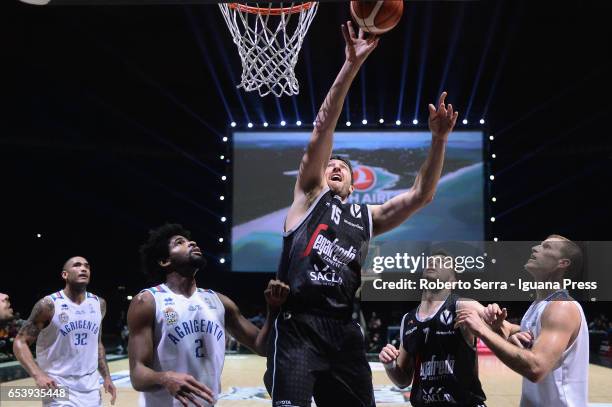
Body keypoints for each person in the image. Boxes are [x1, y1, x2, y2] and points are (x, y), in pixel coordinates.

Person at [264, 20, 459, 407]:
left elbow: (422, 194)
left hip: (344, 329)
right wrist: (350, 65)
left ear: (354, 185)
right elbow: (323, 128)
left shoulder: (365, 216)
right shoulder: (307, 196)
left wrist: (438, 140)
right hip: (299, 326)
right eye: (329, 165)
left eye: (343, 168)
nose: (334, 166)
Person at [130, 223, 289, 407]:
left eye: (191, 240)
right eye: (180, 242)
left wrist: (273, 309)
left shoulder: (220, 302)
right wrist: (165, 378)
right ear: (165, 260)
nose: (192, 243)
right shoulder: (148, 301)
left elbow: (262, 347)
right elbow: (137, 374)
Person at [455, 235, 589, 407]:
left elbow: (536, 367)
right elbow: (513, 330)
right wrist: (497, 327)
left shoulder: (561, 307)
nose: (535, 248)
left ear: (562, 263)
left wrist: (483, 330)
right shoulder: (538, 306)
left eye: (546, 247)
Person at [378, 250, 513, 406]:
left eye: (443, 263)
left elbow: (508, 330)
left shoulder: (463, 306)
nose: (433, 262)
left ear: (453, 281)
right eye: (430, 260)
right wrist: (389, 364)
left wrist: (496, 322)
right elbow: (403, 380)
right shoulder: (407, 320)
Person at [13, 256, 117, 407]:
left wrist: (107, 377)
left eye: (87, 266)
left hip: (90, 387)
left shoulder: (99, 304)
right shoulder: (48, 305)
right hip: (58, 385)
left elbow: (97, 343)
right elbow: (20, 342)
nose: (83, 268)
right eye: (77, 265)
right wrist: (38, 375)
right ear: (65, 275)